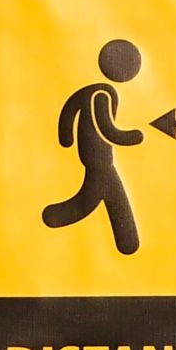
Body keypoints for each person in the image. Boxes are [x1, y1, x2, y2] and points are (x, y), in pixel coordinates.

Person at [43, 38, 145, 255]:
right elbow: (105, 127)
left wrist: (66, 137)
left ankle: (127, 241)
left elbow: (68, 113)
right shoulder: (102, 94)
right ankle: (127, 241)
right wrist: (131, 137)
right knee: (99, 196)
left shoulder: (88, 91)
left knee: (96, 195)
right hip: (100, 161)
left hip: (92, 159)